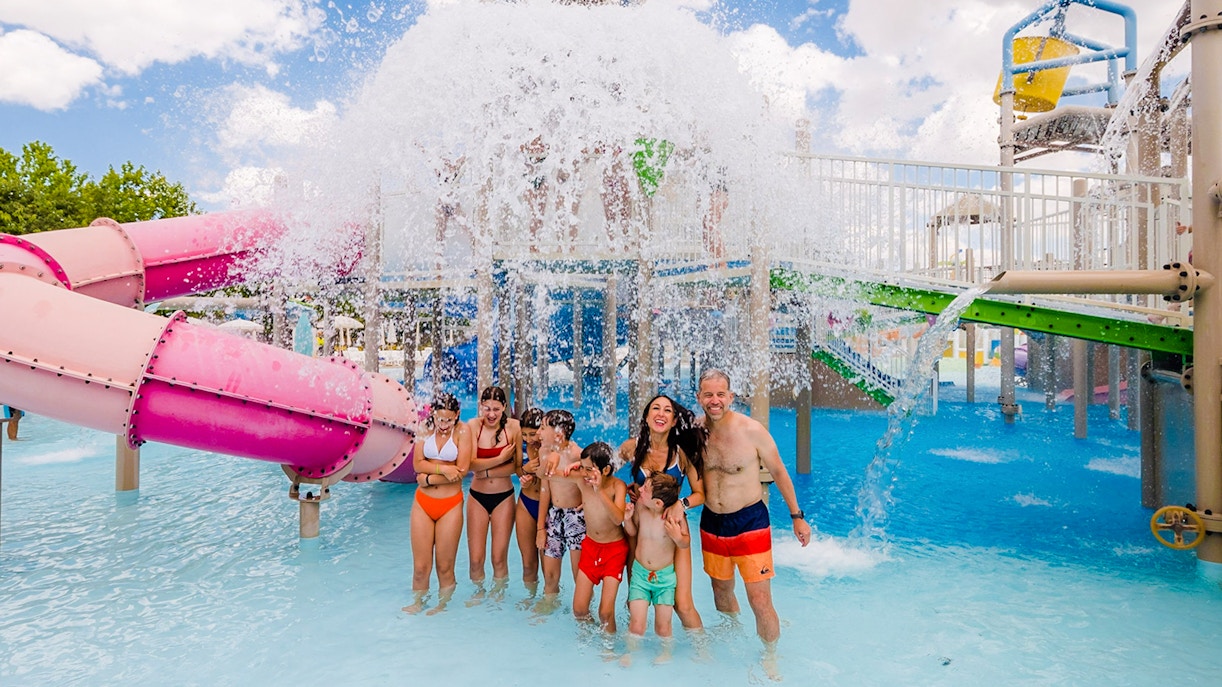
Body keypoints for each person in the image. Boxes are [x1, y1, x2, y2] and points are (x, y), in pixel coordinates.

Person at [695, 368, 812, 659]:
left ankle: (770, 656)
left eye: (721, 394)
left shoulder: (752, 431)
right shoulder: (695, 432)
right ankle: (732, 635)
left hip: (750, 523)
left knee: (759, 599)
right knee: (720, 591)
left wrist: (797, 516)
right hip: (711, 522)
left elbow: (780, 473)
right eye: (708, 394)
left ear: (731, 396)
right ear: (699, 398)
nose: (715, 400)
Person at [619, 394, 705, 632]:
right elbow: (604, 471)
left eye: (667, 410)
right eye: (655, 408)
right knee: (635, 597)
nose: (660, 414)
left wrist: (681, 504)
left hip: (672, 527)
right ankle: (635, 650)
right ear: (646, 417)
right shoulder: (631, 448)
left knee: (683, 603)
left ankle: (702, 649)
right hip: (638, 526)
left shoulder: (682, 454)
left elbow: (700, 493)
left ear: (674, 420)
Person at [403, 393, 473, 615]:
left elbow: (461, 472)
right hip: (423, 503)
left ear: (457, 415)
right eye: (439, 419)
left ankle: (443, 605)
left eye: (448, 420)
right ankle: (418, 602)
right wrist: (442, 469)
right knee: (421, 567)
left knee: (444, 566)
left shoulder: (463, 431)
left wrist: (428, 478)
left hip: (450, 505)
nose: (443, 425)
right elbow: (417, 464)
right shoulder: (425, 427)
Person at [554, 441, 627, 633]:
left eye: (589, 469)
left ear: (606, 470)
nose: (585, 474)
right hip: (590, 548)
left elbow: (618, 519)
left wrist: (599, 491)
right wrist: (552, 460)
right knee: (579, 609)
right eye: (582, 468)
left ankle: (608, 647)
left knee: (605, 612)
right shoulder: (581, 480)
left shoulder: (618, 487)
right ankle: (593, 637)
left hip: (614, 551)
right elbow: (549, 475)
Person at [622, 472, 689, 665]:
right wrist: (627, 518)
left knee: (663, 626)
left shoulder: (674, 518)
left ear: (658, 503)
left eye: (645, 489)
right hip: (641, 575)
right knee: (637, 624)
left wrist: (677, 537)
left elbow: (684, 543)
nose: (640, 489)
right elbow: (632, 532)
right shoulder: (641, 509)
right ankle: (630, 652)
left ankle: (666, 652)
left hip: (665, 579)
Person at [465, 386, 521, 600]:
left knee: (499, 558)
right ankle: (478, 592)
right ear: (480, 406)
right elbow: (469, 464)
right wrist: (498, 460)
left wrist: (485, 469)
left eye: (496, 409)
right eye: (486, 408)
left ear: (505, 407)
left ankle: (498, 595)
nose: (491, 414)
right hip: (477, 498)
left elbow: (516, 467)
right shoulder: (472, 426)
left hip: (504, 497)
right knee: (476, 559)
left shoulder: (513, 427)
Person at [533, 409, 583, 613]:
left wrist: (588, 503)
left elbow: (594, 483)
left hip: (576, 518)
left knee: (578, 572)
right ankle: (549, 602)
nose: (538, 432)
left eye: (543, 428)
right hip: (554, 516)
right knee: (551, 572)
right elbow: (545, 490)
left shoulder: (576, 454)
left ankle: (582, 610)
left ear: (558, 433)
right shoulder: (544, 452)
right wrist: (540, 528)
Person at [514, 408, 545, 590]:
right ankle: (531, 599)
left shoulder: (550, 446)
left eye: (532, 434)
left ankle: (548, 601)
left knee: (548, 566)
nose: (528, 439)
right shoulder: (522, 443)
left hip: (547, 506)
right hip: (526, 502)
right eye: (524, 434)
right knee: (528, 564)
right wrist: (525, 471)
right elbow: (518, 469)